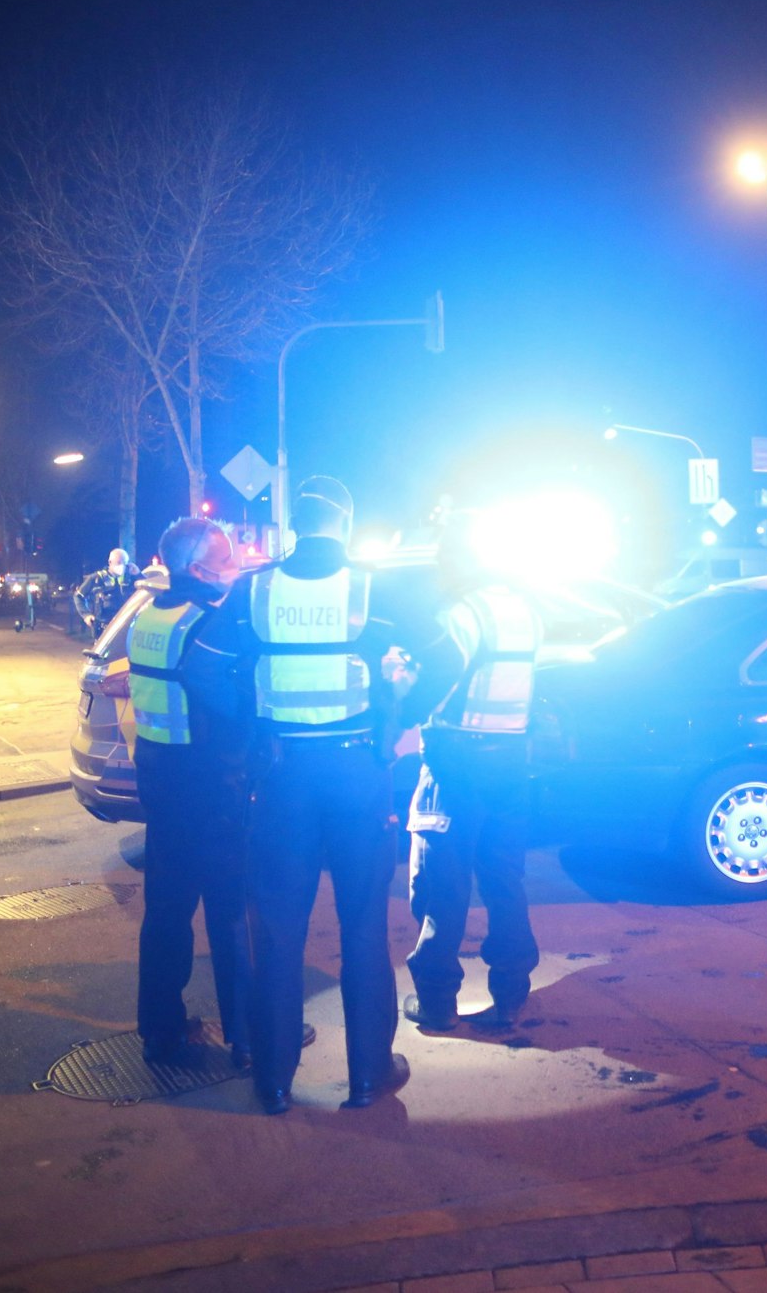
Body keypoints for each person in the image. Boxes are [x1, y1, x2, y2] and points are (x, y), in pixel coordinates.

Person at [225, 476, 406, 1114]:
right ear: (346, 525)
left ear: (294, 524)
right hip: (357, 772)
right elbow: (430, 660)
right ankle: (367, 1076)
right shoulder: (372, 588)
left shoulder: (255, 588)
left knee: (276, 931)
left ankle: (273, 1083)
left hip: (281, 776)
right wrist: (392, 726)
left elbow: (217, 670)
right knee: (362, 926)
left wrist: (246, 741)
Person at [398, 518, 542, 1033]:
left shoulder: (465, 612)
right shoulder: (523, 611)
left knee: (442, 885)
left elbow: (437, 676)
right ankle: (510, 995)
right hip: (510, 762)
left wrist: (402, 692)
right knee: (505, 882)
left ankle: (437, 1004)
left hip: (457, 763)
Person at [127, 518, 256, 1066]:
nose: (237, 561)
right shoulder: (209, 622)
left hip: (160, 777)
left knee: (166, 910)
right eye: (226, 555)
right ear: (198, 568)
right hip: (205, 782)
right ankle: (251, 1035)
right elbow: (232, 703)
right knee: (231, 912)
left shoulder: (148, 617)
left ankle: (160, 1028)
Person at [75, 548, 139, 639]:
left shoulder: (130, 580)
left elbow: (147, 590)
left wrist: (138, 574)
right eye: (119, 562)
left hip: (125, 627)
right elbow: (78, 596)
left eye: (124, 563)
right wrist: (86, 615)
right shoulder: (97, 578)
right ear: (110, 562)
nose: (121, 566)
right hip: (103, 628)